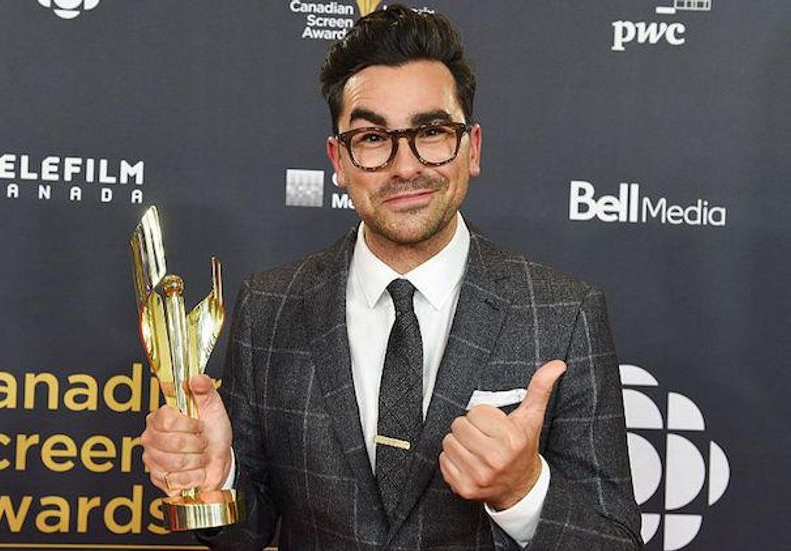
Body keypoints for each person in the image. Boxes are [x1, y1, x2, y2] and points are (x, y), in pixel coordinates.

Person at [140, 5, 642, 549]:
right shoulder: (271, 304)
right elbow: (249, 530)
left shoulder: (563, 313)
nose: (405, 167)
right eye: (373, 138)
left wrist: (523, 491)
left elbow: (614, 541)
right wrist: (220, 480)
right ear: (339, 159)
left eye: (430, 131)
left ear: (471, 148)